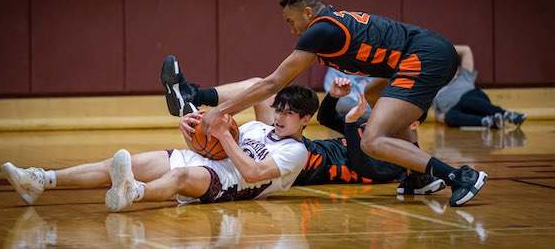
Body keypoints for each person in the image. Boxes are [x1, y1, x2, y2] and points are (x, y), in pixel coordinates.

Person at [192, 0, 486, 207]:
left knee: (371, 140)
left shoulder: (321, 30)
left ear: (308, 13)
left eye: (291, 21)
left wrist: (220, 110)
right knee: (372, 95)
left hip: (424, 56)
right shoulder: (330, 24)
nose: (291, 29)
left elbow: (272, 84)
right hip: (420, 55)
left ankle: (459, 176)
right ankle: (419, 175)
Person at [1, 84, 319, 212]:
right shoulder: (256, 127)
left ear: (305, 119)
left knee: (180, 176)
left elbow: (251, 172)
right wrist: (192, 134)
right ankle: (40, 180)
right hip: (201, 161)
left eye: (289, 113)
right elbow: (213, 149)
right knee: (114, 162)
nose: (279, 117)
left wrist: (222, 137)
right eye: (279, 110)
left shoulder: (296, 151)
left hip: (228, 184)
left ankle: (134, 192)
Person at [163, 55, 446, 195]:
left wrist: (350, 124)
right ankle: (192, 96)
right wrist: (334, 98)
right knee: (259, 87)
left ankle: (194, 102)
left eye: (398, 114)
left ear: (414, 124)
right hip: (294, 144)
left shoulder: (400, 161)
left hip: (294, 163)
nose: (388, 114)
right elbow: (326, 118)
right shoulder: (376, 132)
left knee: (263, 92)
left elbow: (362, 166)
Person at [433, 45, 526, 129]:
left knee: (466, 100)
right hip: (462, 113)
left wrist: (441, 50)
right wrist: (445, 118)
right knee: (449, 116)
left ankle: (507, 115)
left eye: (452, 67)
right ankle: (489, 122)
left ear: (459, 69)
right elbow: (438, 116)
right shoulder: (435, 90)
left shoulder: (464, 77)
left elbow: (466, 50)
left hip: (473, 100)